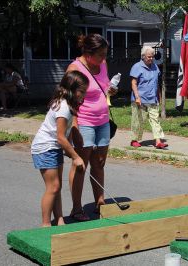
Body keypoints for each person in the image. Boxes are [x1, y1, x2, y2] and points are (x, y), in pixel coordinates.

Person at [66, 33, 117, 221]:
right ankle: (77, 208)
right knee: (81, 165)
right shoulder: (74, 68)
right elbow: (68, 100)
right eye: (100, 55)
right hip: (84, 122)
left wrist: (111, 89)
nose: (104, 59)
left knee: (100, 162)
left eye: (105, 54)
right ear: (88, 53)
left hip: (103, 121)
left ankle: (100, 202)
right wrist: (75, 126)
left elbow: (105, 86)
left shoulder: (102, 64)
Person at [31, 71, 87, 227]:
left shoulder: (67, 105)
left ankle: (60, 220)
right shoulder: (63, 107)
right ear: (71, 89)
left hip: (54, 147)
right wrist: (75, 156)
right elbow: (60, 137)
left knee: (57, 187)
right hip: (45, 147)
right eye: (81, 92)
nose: (83, 96)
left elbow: (65, 134)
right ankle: (45, 225)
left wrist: (70, 149)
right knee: (53, 187)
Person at [129, 46, 168, 149]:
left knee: (155, 119)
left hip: (152, 98)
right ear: (143, 56)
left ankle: (158, 141)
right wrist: (137, 97)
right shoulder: (137, 67)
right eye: (149, 57)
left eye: (152, 56)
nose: (151, 58)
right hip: (140, 99)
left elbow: (156, 83)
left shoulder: (155, 67)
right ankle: (134, 140)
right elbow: (133, 83)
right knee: (138, 120)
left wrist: (158, 95)